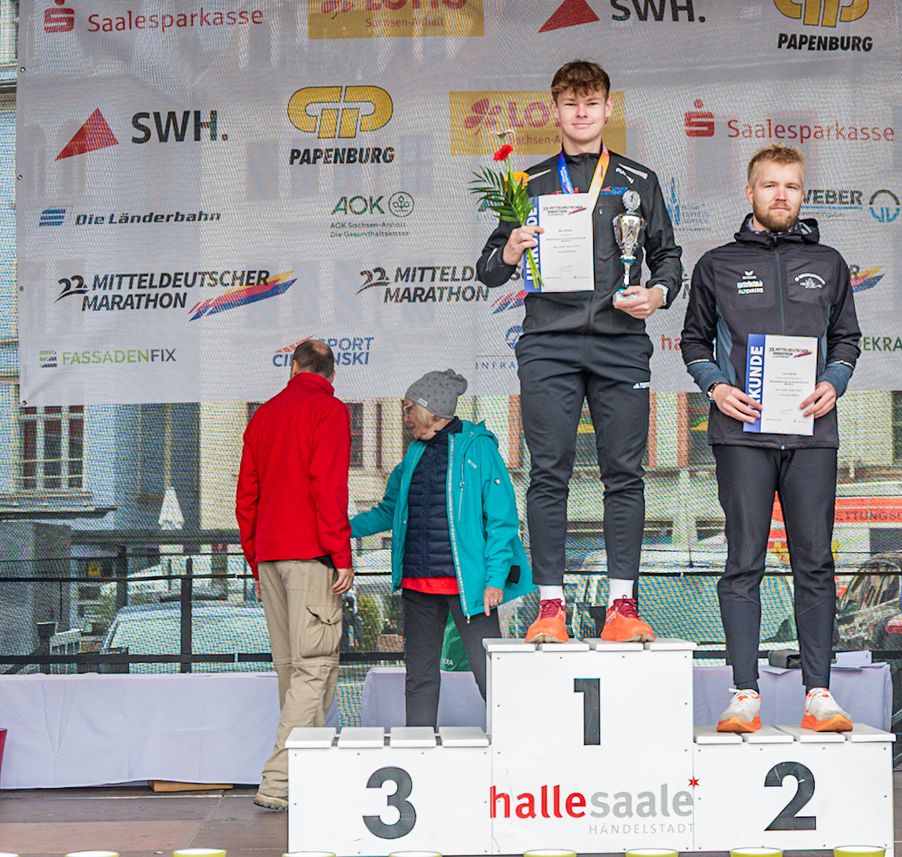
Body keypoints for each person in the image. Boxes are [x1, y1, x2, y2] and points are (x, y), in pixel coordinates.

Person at [476, 60, 683, 644]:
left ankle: (622, 607)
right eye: (571, 103)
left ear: (609, 109)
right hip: (549, 344)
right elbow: (488, 269)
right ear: (556, 111)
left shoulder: (639, 180)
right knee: (548, 473)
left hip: (621, 342)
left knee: (625, 474)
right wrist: (511, 249)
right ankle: (550, 608)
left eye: (592, 102)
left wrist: (658, 293)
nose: (582, 112)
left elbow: (668, 257)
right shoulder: (528, 183)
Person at [680, 143, 861, 734]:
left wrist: (834, 381)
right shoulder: (717, 264)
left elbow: (847, 339)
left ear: (802, 194)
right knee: (743, 562)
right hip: (742, 436)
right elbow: (693, 341)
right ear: (750, 192)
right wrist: (716, 387)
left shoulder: (829, 263)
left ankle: (819, 695)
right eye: (770, 185)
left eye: (792, 186)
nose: (781, 195)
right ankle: (744, 694)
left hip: (811, 434)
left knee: (816, 562)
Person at [350, 370, 534, 726]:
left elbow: (502, 520)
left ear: (430, 410)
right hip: (418, 585)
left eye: (408, 409)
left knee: (490, 675)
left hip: (471, 590)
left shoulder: (479, 448)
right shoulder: (413, 455)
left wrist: (495, 578)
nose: (405, 418)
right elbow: (389, 510)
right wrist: (339, 530)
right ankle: (418, 748)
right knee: (419, 678)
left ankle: (516, 741)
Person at [236, 339, 353, 811]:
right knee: (315, 667)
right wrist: (341, 554)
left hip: (270, 556)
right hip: (310, 556)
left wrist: (256, 560)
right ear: (331, 373)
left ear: (293, 367)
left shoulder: (263, 416)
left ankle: (304, 774)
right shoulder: (330, 411)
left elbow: (246, 498)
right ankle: (279, 781)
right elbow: (329, 486)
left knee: (292, 670)